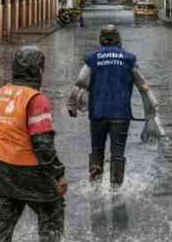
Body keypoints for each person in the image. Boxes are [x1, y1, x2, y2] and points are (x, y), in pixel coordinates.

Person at [0, 46, 67, 242]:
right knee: (52, 209)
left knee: (4, 214)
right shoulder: (36, 99)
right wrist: (58, 174)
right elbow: (43, 144)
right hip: (29, 167)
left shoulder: (3, 92)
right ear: (37, 71)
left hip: (1, 165)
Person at [67, 24, 158, 187]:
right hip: (120, 114)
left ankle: (95, 182)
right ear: (118, 38)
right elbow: (143, 86)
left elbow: (80, 82)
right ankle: (116, 187)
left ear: (101, 39)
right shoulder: (128, 59)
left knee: (97, 148)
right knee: (117, 153)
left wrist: (72, 105)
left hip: (97, 114)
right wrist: (151, 113)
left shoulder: (93, 58)